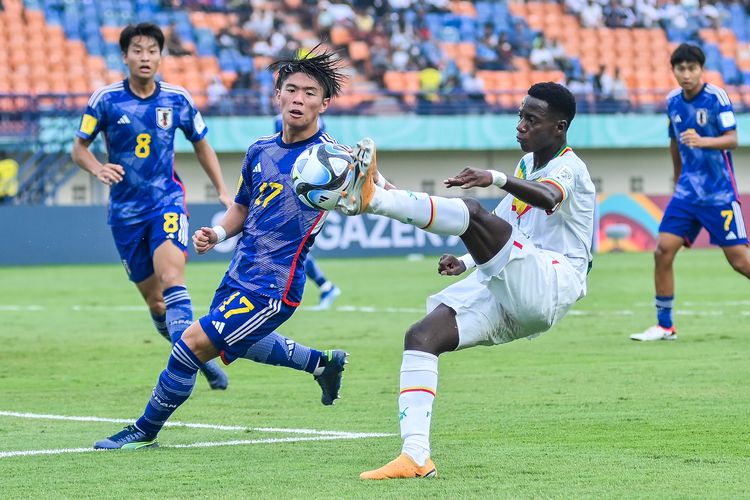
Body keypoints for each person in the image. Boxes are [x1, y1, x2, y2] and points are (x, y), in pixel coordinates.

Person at [93, 47, 349, 450]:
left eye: (310, 93)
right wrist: (217, 232)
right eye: (292, 89)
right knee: (240, 343)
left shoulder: (334, 160)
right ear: (277, 94)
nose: (299, 99)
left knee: (190, 346)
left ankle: (144, 431)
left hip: (274, 287)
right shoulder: (260, 150)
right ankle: (323, 363)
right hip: (239, 273)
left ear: (325, 103)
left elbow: (378, 191)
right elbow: (243, 207)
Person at [338, 82, 595, 479]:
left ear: (559, 128)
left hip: (552, 281)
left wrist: (494, 176)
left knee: (473, 211)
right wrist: (464, 260)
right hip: (516, 287)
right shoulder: (527, 165)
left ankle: (376, 198)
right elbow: (509, 225)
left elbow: (548, 198)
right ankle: (415, 456)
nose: (521, 125)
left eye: (532, 119)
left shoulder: (569, 166)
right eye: (520, 115)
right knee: (422, 337)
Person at [72, 23, 232, 390]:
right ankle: (198, 359)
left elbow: (201, 143)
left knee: (173, 279)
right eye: (138, 50)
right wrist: (98, 167)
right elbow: (78, 147)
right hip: (125, 214)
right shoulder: (105, 99)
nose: (145, 57)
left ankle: (185, 369)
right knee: (156, 303)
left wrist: (222, 190)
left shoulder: (178, 99)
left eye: (152, 51)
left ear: (161, 56)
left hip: (167, 201)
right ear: (125, 56)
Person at [631, 43, 750, 341]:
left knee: (740, 262)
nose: (686, 74)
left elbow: (732, 139)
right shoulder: (673, 101)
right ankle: (665, 326)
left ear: (701, 70)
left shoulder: (716, 98)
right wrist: (677, 177)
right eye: (680, 69)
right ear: (673, 71)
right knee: (662, 252)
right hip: (686, 194)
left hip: (719, 194)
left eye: (692, 68)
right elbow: (675, 142)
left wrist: (702, 141)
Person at [273, 113, 342, 309]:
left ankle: (324, 286)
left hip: (303, 192)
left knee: (291, 247)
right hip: (302, 188)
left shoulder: (285, 120)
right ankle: (325, 286)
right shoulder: (293, 118)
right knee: (291, 247)